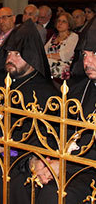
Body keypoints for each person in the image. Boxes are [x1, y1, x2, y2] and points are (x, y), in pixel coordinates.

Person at [0, 19, 59, 204]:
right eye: (9, 53)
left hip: (15, 156)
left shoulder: (46, 92)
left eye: (17, 54)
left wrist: (6, 146)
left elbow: (45, 137)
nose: (10, 59)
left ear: (31, 58)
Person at [10, 17, 96, 204]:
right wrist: (39, 160)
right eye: (85, 54)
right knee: (19, 181)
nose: (87, 61)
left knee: (53, 196)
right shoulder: (78, 90)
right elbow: (51, 130)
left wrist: (65, 166)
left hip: (89, 171)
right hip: (65, 162)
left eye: (94, 54)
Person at [44, 12, 78, 81]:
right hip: (50, 62)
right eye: (59, 21)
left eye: (64, 21)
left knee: (44, 62)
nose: (60, 23)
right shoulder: (54, 36)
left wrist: (48, 56)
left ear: (69, 25)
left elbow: (66, 55)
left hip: (64, 65)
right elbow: (43, 50)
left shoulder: (73, 36)